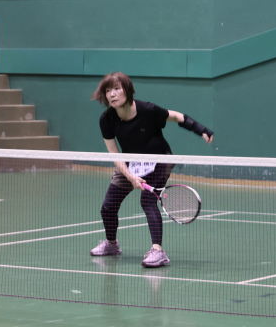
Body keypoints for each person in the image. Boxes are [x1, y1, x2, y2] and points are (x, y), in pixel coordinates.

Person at [91, 72, 214, 268]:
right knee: (108, 206)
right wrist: (131, 176)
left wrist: (201, 129)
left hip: (159, 160)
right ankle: (111, 244)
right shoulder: (106, 119)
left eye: (116, 89)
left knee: (147, 201)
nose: (112, 94)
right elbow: (115, 155)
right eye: (107, 91)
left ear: (127, 90)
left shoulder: (148, 110)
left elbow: (176, 116)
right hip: (131, 163)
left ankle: (158, 251)